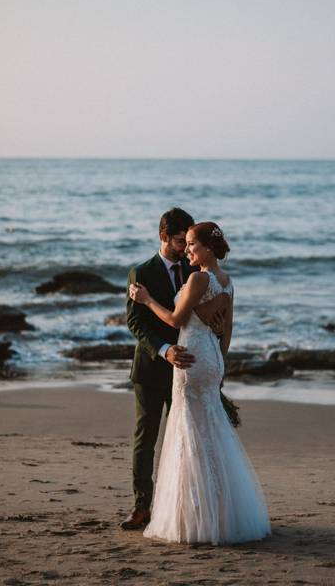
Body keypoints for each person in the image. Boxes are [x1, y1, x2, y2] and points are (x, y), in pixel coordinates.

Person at [129, 221, 271, 545]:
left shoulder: (199, 277)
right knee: (211, 429)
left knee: (189, 433)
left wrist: (147, 300)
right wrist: (219, 362)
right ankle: (222, 512)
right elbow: (228, 329)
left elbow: (177, 319)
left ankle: (195, 516)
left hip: (190, 358)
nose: (188, 250)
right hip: (211, 358)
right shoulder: (227, 281)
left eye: (192, 244)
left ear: (207, 247)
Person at [120, 208, 198, 530]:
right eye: (180, 241)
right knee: (146, 439)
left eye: (188, 241)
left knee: (185, 439)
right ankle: (142, 507)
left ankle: (184, 505)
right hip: (152, 368)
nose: (185, 247)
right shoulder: (141, 272)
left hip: (188, 369)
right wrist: (165, 350)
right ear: (164, 236)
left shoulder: (194, 270)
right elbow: (134, 322)